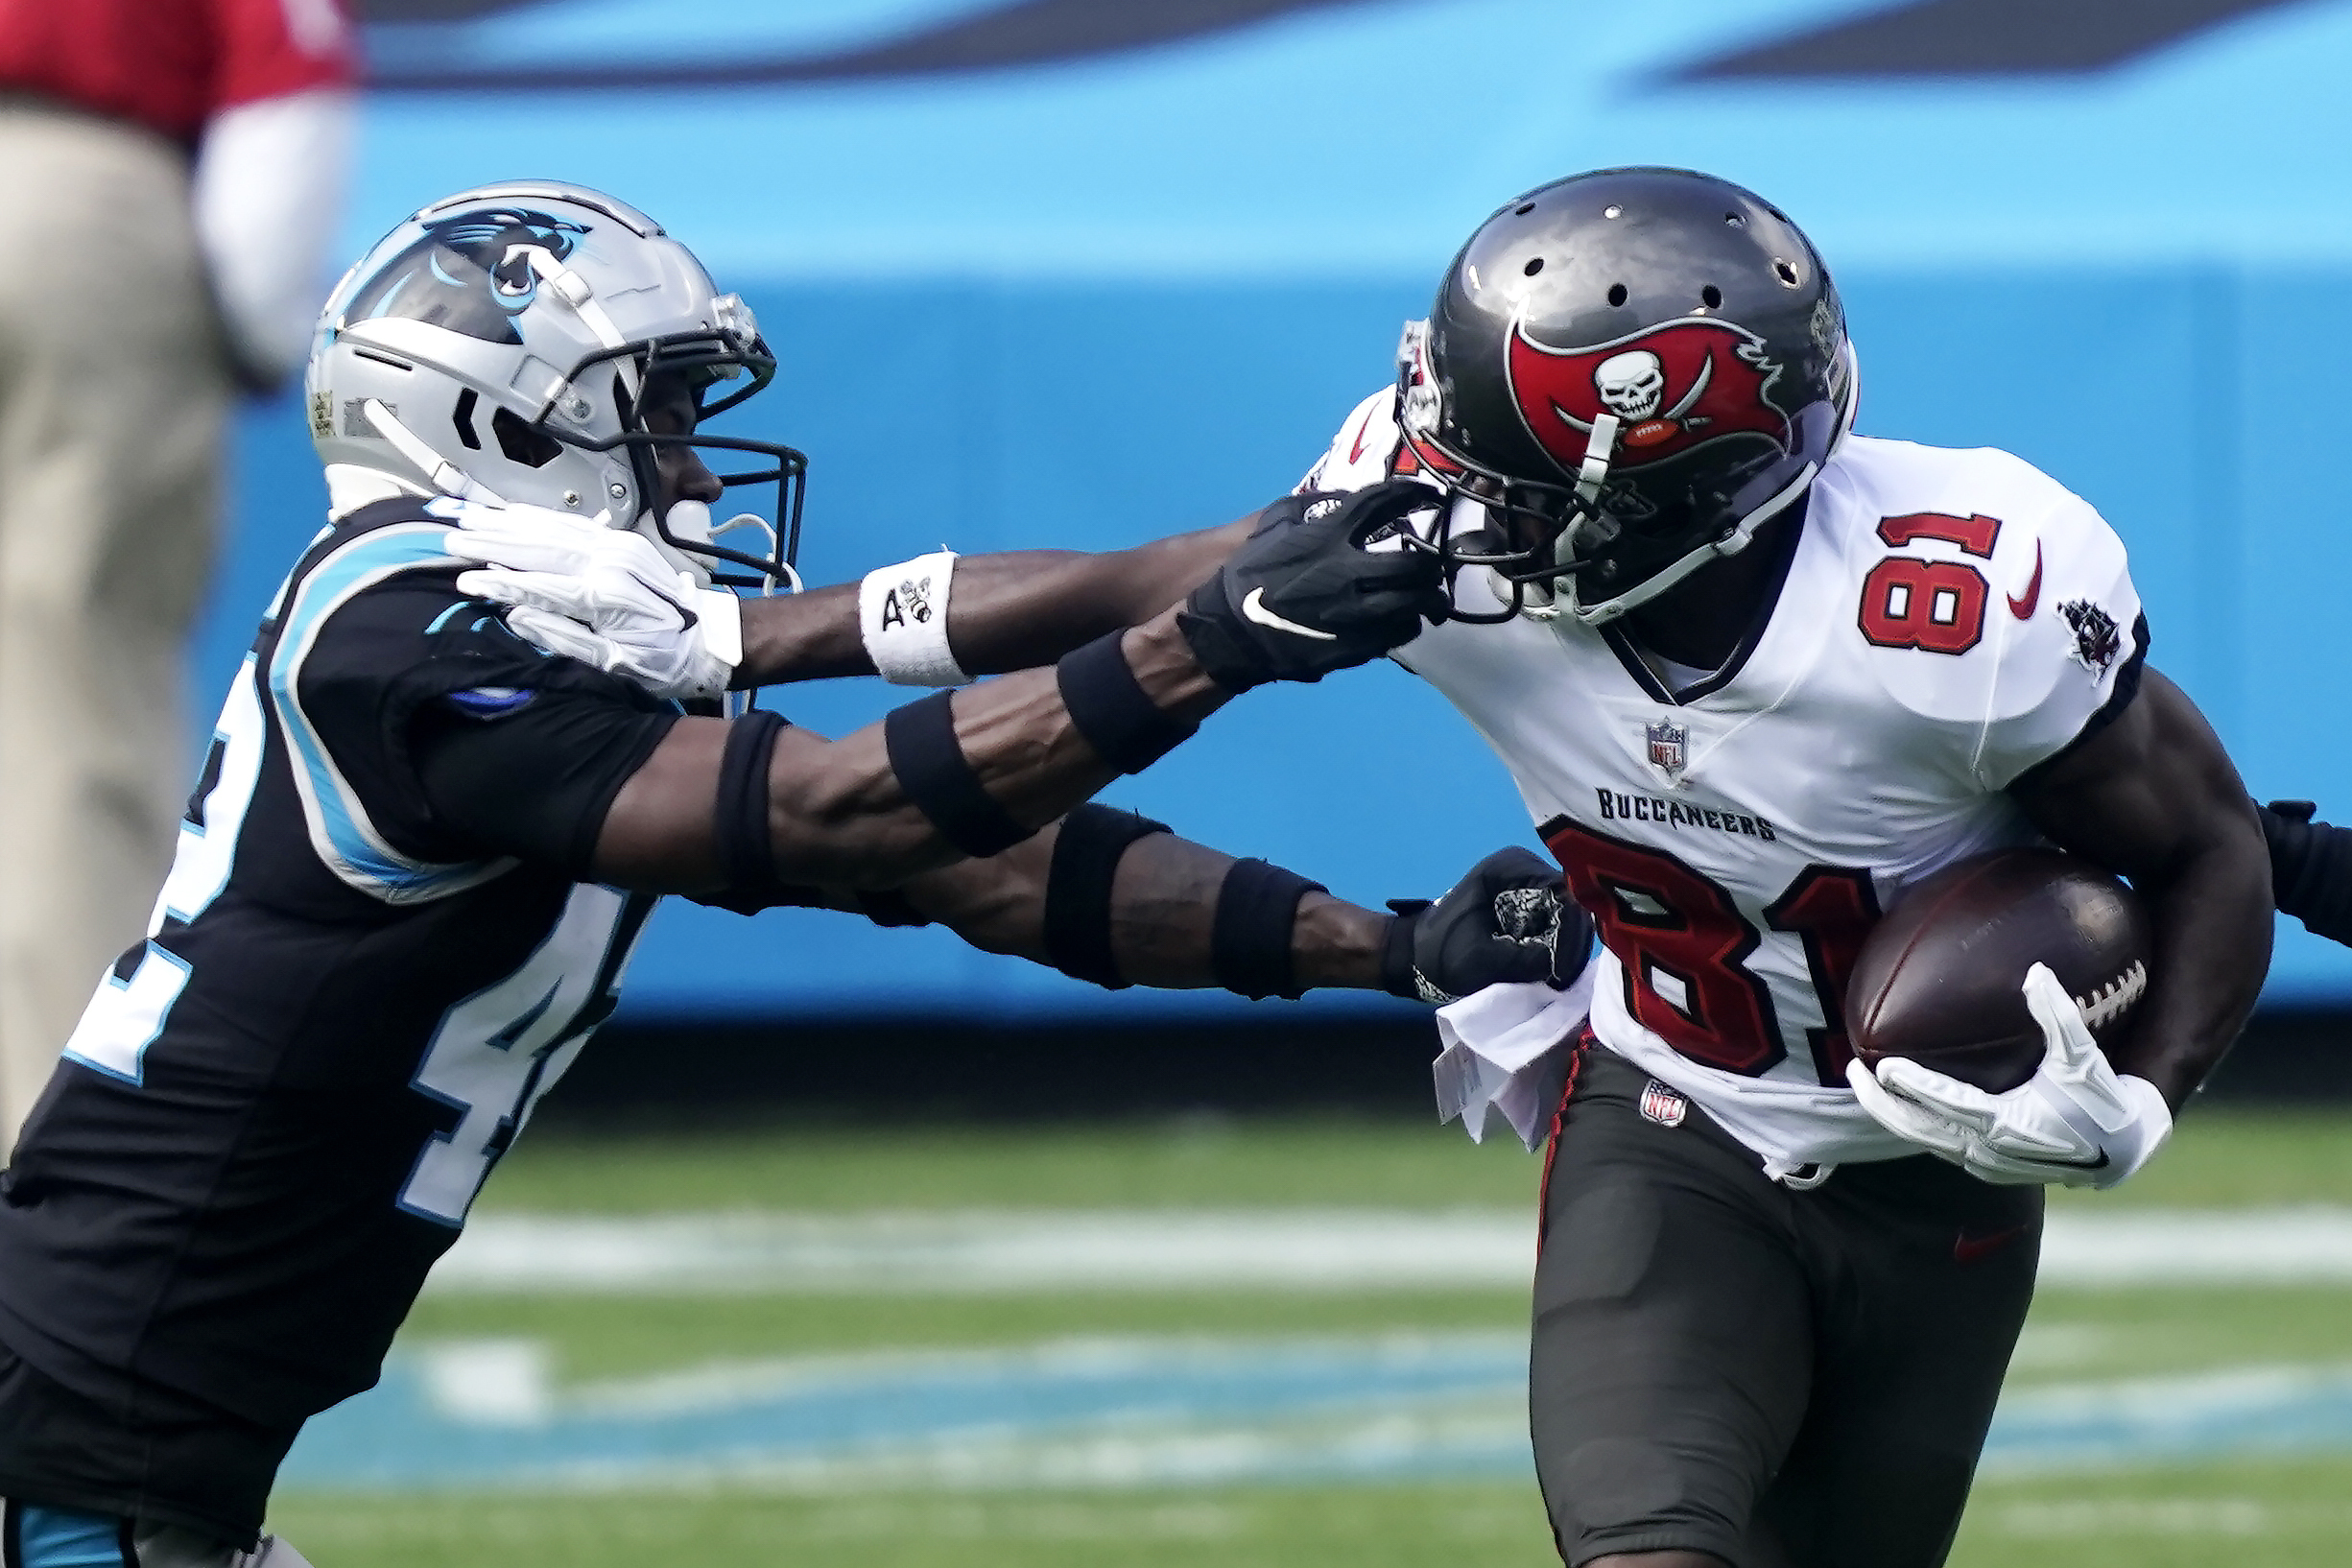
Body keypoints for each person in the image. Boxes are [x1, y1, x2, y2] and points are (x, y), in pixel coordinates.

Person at [463, 168, 2275, 1568]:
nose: (1451, 498)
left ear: (1700, 486)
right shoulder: (1449, 522)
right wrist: (737, 639)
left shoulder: (1948, 609)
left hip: (1932, 1174)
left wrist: (2145, 1092)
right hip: (1669, 1112)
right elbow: (1134, 584)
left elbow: (2200, 844)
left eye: (1513, 473)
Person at [0, 181, 1607, 1568]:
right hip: (75, 1447)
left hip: (117, 1434)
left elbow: (992, 871)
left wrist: (1383, 943)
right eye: (655, 409)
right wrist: (1206, 650)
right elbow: (855, 816)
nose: (693, 464)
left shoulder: (503, 618)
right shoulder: (416, 650)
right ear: (498, 420)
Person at [0, 0, 359, 1152]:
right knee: (66, 705)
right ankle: (53, 1159)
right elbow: (282, 67)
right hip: (71, 204)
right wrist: (254, 325)